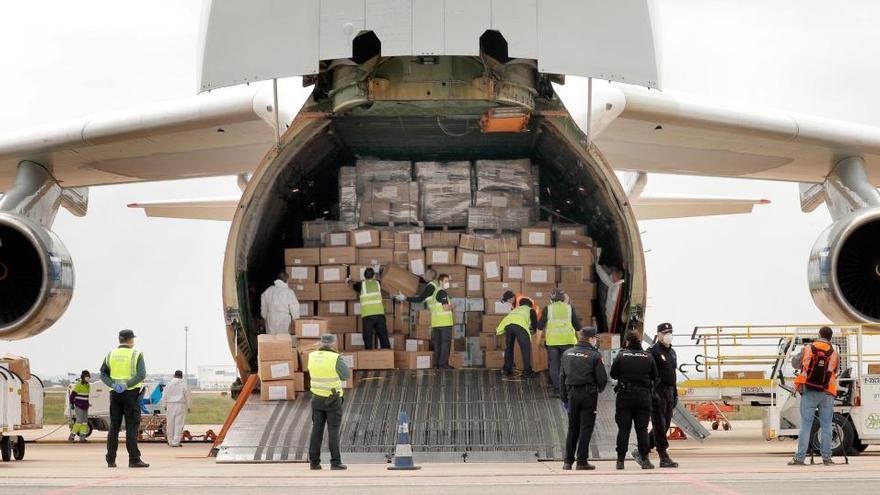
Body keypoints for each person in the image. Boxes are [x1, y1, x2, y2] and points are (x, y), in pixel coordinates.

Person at [789, 326, 840, 466]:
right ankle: (827, 458)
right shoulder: (834, 353)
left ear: (819, 335)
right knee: (826, 425)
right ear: (830, 338)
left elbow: (795, 364)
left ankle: (800, 458)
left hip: (809, 390)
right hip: (827, 392)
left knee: (806, 425)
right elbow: (836, 370)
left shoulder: (808, 348)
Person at [559, 327, 608, 470]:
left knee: (572, 428)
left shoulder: (567, 353)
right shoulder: (595, 355)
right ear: (591, 339)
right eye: (595, 338)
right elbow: (602, 379)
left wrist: (564, 397)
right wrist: (598, 390)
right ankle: (581, 461)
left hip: (571, 395)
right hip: (588, 395)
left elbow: (562, 376)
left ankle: (567, 462)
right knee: (586, 428)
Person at [100, 329, 149, 468]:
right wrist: (126, 384)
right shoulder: (136, 354)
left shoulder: (110, 354)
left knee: (114, 427)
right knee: (131, 427)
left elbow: (103, 374)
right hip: (131, 394)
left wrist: (114, 385)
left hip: (115, 394)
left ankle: (110, 459)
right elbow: (141, 375)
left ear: (119, 340)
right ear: (131, 340)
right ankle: (134, 459)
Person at [611, 329, 657, 470]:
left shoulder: (621, 356)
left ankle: (620, 461)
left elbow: (613, 374)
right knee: (642, 430)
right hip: (643, 397)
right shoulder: (648, 356)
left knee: (624, 429)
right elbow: (655, 376)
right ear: (639, 341)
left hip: (625, 396)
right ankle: (645, 460)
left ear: (627, 341)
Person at [308, 334, 351, 470]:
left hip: (316, 398)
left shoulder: (312, 356)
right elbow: (346, 375)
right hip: (332, 400)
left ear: (321, 342)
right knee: (333, 430)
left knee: (316, 430)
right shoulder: (335, 358)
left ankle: (314, 463)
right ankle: (335, 462)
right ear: (333, 343)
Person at [399, 272, 454, 369]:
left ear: (431, 275)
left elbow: (422, 299)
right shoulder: (438, 290)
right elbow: (444, 307)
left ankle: (438, 364)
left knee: (438, 344)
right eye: (446, 281)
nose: (448, 283)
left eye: (448, 281)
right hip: (444, 322)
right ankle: (443, 364)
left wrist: (406, 298)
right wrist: (453, 305)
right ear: (440, 281)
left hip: (436, 323)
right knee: (445, 344)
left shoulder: (433, 290)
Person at [645, 322, 679, 468]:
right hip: (658, 392)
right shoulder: (652, 351)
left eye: (669, 332)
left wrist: (675, 393)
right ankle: (663, 456)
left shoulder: (672, 352)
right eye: (665, 333)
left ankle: (643, 448)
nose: (668, 336)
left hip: (670, 392)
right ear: (658, 335)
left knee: (664, 426)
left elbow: (673, 374)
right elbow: (648, 374)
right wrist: (652, 393)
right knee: (659, 425)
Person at [539, 288, 581, 396]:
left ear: (551, 298)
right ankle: (566, 389)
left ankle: (557, 390)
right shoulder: (569, 308)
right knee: (566, 366)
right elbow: (577, 327)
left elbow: (540, 327)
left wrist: (538, 342)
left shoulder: (548, 309)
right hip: (568, 342)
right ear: (563, 298)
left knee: (554, 365)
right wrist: (581, 342)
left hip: (552, 343)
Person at [496, 296, 539, 378]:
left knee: (509, 347)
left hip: (508, 325)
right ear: (530, 305)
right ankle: (528, 372)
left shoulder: (516, 309)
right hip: (519, 326)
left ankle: (507, 369)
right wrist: (537, 333)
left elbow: (515, 319)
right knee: (525, 348)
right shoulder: (530, 310)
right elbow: (535, 326)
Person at [351, 267, 390, 349]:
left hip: (367, 315)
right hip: (379, 314)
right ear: (373, 276)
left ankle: (369, 354)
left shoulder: (361, 285)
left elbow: (354, 286)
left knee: (368, 337)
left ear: (364, 276)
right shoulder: (378, 283)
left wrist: (349, 280)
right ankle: (387, 354)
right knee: (383, 336)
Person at [260, 271, 300, 335]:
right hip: (284, 319)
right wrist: (296, 319)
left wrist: (265, 315)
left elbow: (263, 304)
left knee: (271, 339)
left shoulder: (269, 290)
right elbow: (294, 306)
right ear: (286, 280)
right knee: (283, 339)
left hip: (271, 318)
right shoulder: (289, 292)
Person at [164, 370, 191, 447]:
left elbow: (164, 395)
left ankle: (170, 441)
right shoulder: (184, 385)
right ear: (182, 376)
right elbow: (188, 396)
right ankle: (176, 442)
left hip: (170, 405)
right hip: (181, 405)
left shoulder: (168, 384)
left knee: (170, 423)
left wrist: (164, 405)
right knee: (179, 424)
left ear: (174, 375)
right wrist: (189, 406)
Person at [68, 370, 91, 443]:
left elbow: (86, 396)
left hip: (85, 406)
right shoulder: (78, 385)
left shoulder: (88, 385)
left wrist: (88, 403)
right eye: (86, 377)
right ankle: (71, 437)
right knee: (79, 421)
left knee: (85, 422)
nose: (88, 378)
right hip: (79, 406)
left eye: (88, 377)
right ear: (83, 377)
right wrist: (72, 404)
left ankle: (82, 438)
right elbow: (72, 396)